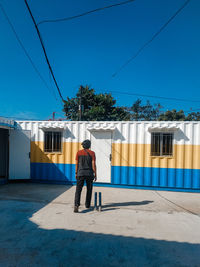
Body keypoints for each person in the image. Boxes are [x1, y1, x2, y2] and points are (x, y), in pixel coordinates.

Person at [74, 139, 97, 213]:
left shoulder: (78, 153)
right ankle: (87, 205)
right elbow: (93, 164)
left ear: (83, 145)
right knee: (89, 189)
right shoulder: (92, 153)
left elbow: (76, 164)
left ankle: (76, 205)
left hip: (80, 173)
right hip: (89, 174)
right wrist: (95, 174)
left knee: (78, 190)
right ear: (89, 145)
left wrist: (76, 173)